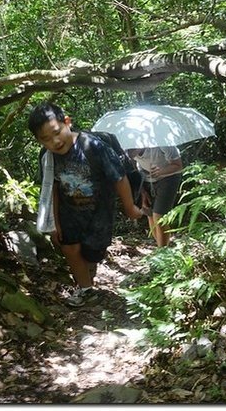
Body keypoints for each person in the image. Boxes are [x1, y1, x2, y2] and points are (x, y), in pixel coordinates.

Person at [28, 102, 146, 307]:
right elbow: (52, 188)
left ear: (67, 122)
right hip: (68, 212)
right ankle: (85, 289)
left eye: (56, 133)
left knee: (93, 252)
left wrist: (129, 208)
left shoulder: (93, 146)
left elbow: (119, 177)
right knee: (70, 248)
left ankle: (89, 270)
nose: (54, 142)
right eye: (45, 139)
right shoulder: (47, 158)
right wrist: (54, 222)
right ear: (38, 141)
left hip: (99, 214)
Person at [128, 146, 183, 247]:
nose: (129, 151)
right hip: (147, 179)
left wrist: (160, 172)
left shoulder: (163, 145)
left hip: (168, 177)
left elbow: (178, 165)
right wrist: (143, 192)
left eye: (131, 149)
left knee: (159, 215)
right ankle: (161, 248)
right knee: (149, 213)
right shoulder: (127, 151)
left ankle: (163, 252)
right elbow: (134, 170)